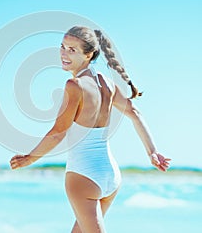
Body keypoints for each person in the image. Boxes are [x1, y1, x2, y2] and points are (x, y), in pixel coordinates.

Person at [10, 26, 171, 233]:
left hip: (84, 176)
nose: (64, 53)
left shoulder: (75, 85)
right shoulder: (107, 83)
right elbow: (135, 114)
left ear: (89, 54)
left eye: (72, 50)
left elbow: (59, 132)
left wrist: (29, 158)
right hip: (110, 176)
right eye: (63, 46)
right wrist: (152, 152)